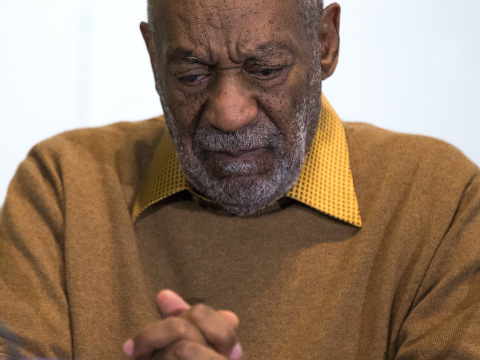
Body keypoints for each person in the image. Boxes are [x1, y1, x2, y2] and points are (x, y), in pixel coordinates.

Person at [1, 0, 480, 359]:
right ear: (153, 57)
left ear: (325, 43)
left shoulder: (440, 202)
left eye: (266, 69)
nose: (230, 114)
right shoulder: (65, 185)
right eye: (191, 74)